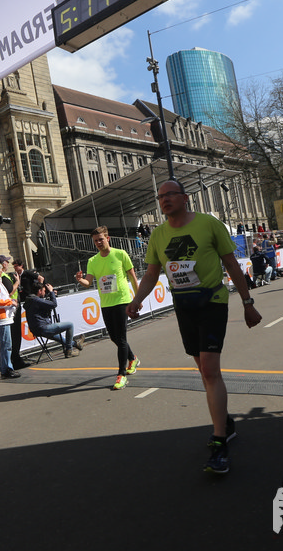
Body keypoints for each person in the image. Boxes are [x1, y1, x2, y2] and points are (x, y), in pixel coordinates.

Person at [127, 179, 262, 474]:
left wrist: (247, 302)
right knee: (204, 370)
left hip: (212, 302)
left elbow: (231, 264)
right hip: (184, 307)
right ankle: (225, 422)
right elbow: (151, 274)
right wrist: (137, 300)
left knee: (210, 371)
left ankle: (219, 443)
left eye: (170, 194)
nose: (164, 200)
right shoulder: (157, 235)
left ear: (185, 198)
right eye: (160, 196)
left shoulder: (208, 224)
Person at [73, 225, 140, 390]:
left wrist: (138, 299)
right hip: (106, 303)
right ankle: (133, 358)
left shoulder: (120, 254)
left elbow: (132, 277)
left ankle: (121, 375)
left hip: (122, 300)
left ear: (107, 239)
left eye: (101, 239)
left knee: (121, 338)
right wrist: (80, 280)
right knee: (114, 337)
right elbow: (88, 282)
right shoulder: (93, 261)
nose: (98, 243)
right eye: (95, 241)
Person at [23, 272, 83, 358]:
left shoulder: (31, 300)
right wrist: (51, 292)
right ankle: (69, 350)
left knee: (59, 337)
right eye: (44, 291)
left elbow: (46, 305)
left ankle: (76, 344)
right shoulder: (36, 300)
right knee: (70, 325)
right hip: (43, 328)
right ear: (39, 291)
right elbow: (54, 304)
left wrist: (52, 295)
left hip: (36, 330)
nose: (45, 292)